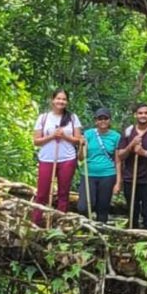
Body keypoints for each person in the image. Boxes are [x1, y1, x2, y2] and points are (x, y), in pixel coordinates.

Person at [31, 89, 83, 226]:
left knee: (63, 193)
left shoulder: (72, 118)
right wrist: (52, 136)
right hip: (47, 158)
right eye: (58, 98)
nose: (61, 101)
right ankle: (36, 223)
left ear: (67, 102)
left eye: (64, 99)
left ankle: (60, 223)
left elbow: (78, 140)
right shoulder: (43, 118)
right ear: (52, 100)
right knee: (42, 193)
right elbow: (36, 141)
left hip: (67, 159)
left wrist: (64, 136)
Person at [116, 102, 147, 230]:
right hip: (130, 178)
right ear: (135, 115)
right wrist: (131, 145)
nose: (143, 115)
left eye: (146, 113)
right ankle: (132, 238)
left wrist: (144, 153)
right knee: (132, 212)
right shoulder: (128, 131)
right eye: (140, 113)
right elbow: (120, 155)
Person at [80, 108, 122, 223]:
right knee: (84, 206)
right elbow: (80, 157)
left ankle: (100, 234)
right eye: (100, 119)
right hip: (89, 174)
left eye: (105, 118)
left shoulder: (116, 137)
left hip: (108, 174)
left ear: (109, 120)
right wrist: (81, 145)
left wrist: (118, 183)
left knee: (103, 208)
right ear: (96, 121)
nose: (103, 121)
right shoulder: (88, 134)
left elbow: (118, 161)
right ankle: (86, 229)